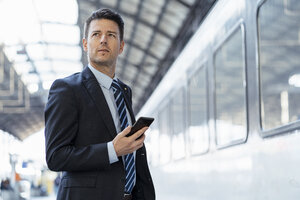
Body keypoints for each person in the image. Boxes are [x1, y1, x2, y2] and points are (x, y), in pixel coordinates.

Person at [44, 8, 155, 200]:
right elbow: (56, 156)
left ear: (121, 47)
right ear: (86, 44)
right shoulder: (66, 89)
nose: (103, 39)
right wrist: (113, 150)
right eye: (96, 34)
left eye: (111, 35)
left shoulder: (123, 91)